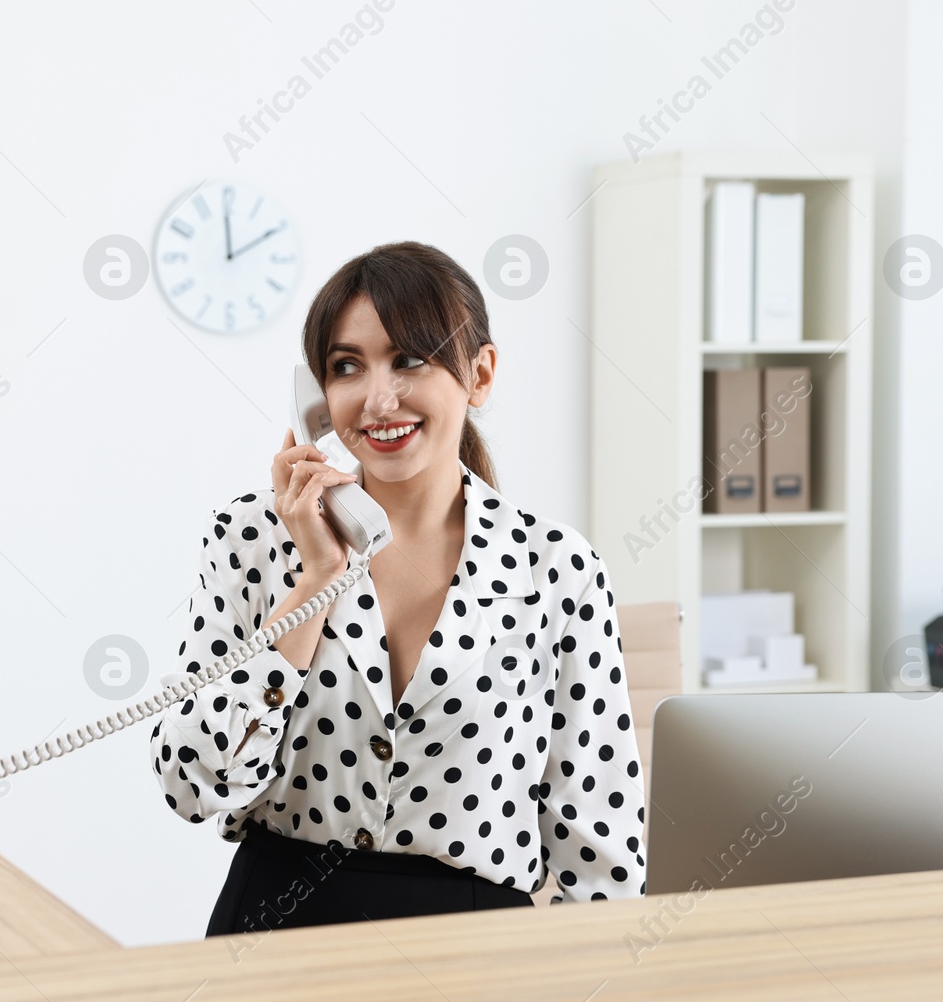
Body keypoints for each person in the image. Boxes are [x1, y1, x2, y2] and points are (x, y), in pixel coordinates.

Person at [148, 241, 645, 937]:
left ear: (480, 374)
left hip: (478, 947)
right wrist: (313, 580)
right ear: (318, 396)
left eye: (409, 358)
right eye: (347, 366)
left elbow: (602, 844)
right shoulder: (253, 536)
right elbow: (192, 783)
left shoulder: (554, 566)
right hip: (279, 924)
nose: (378, 397)